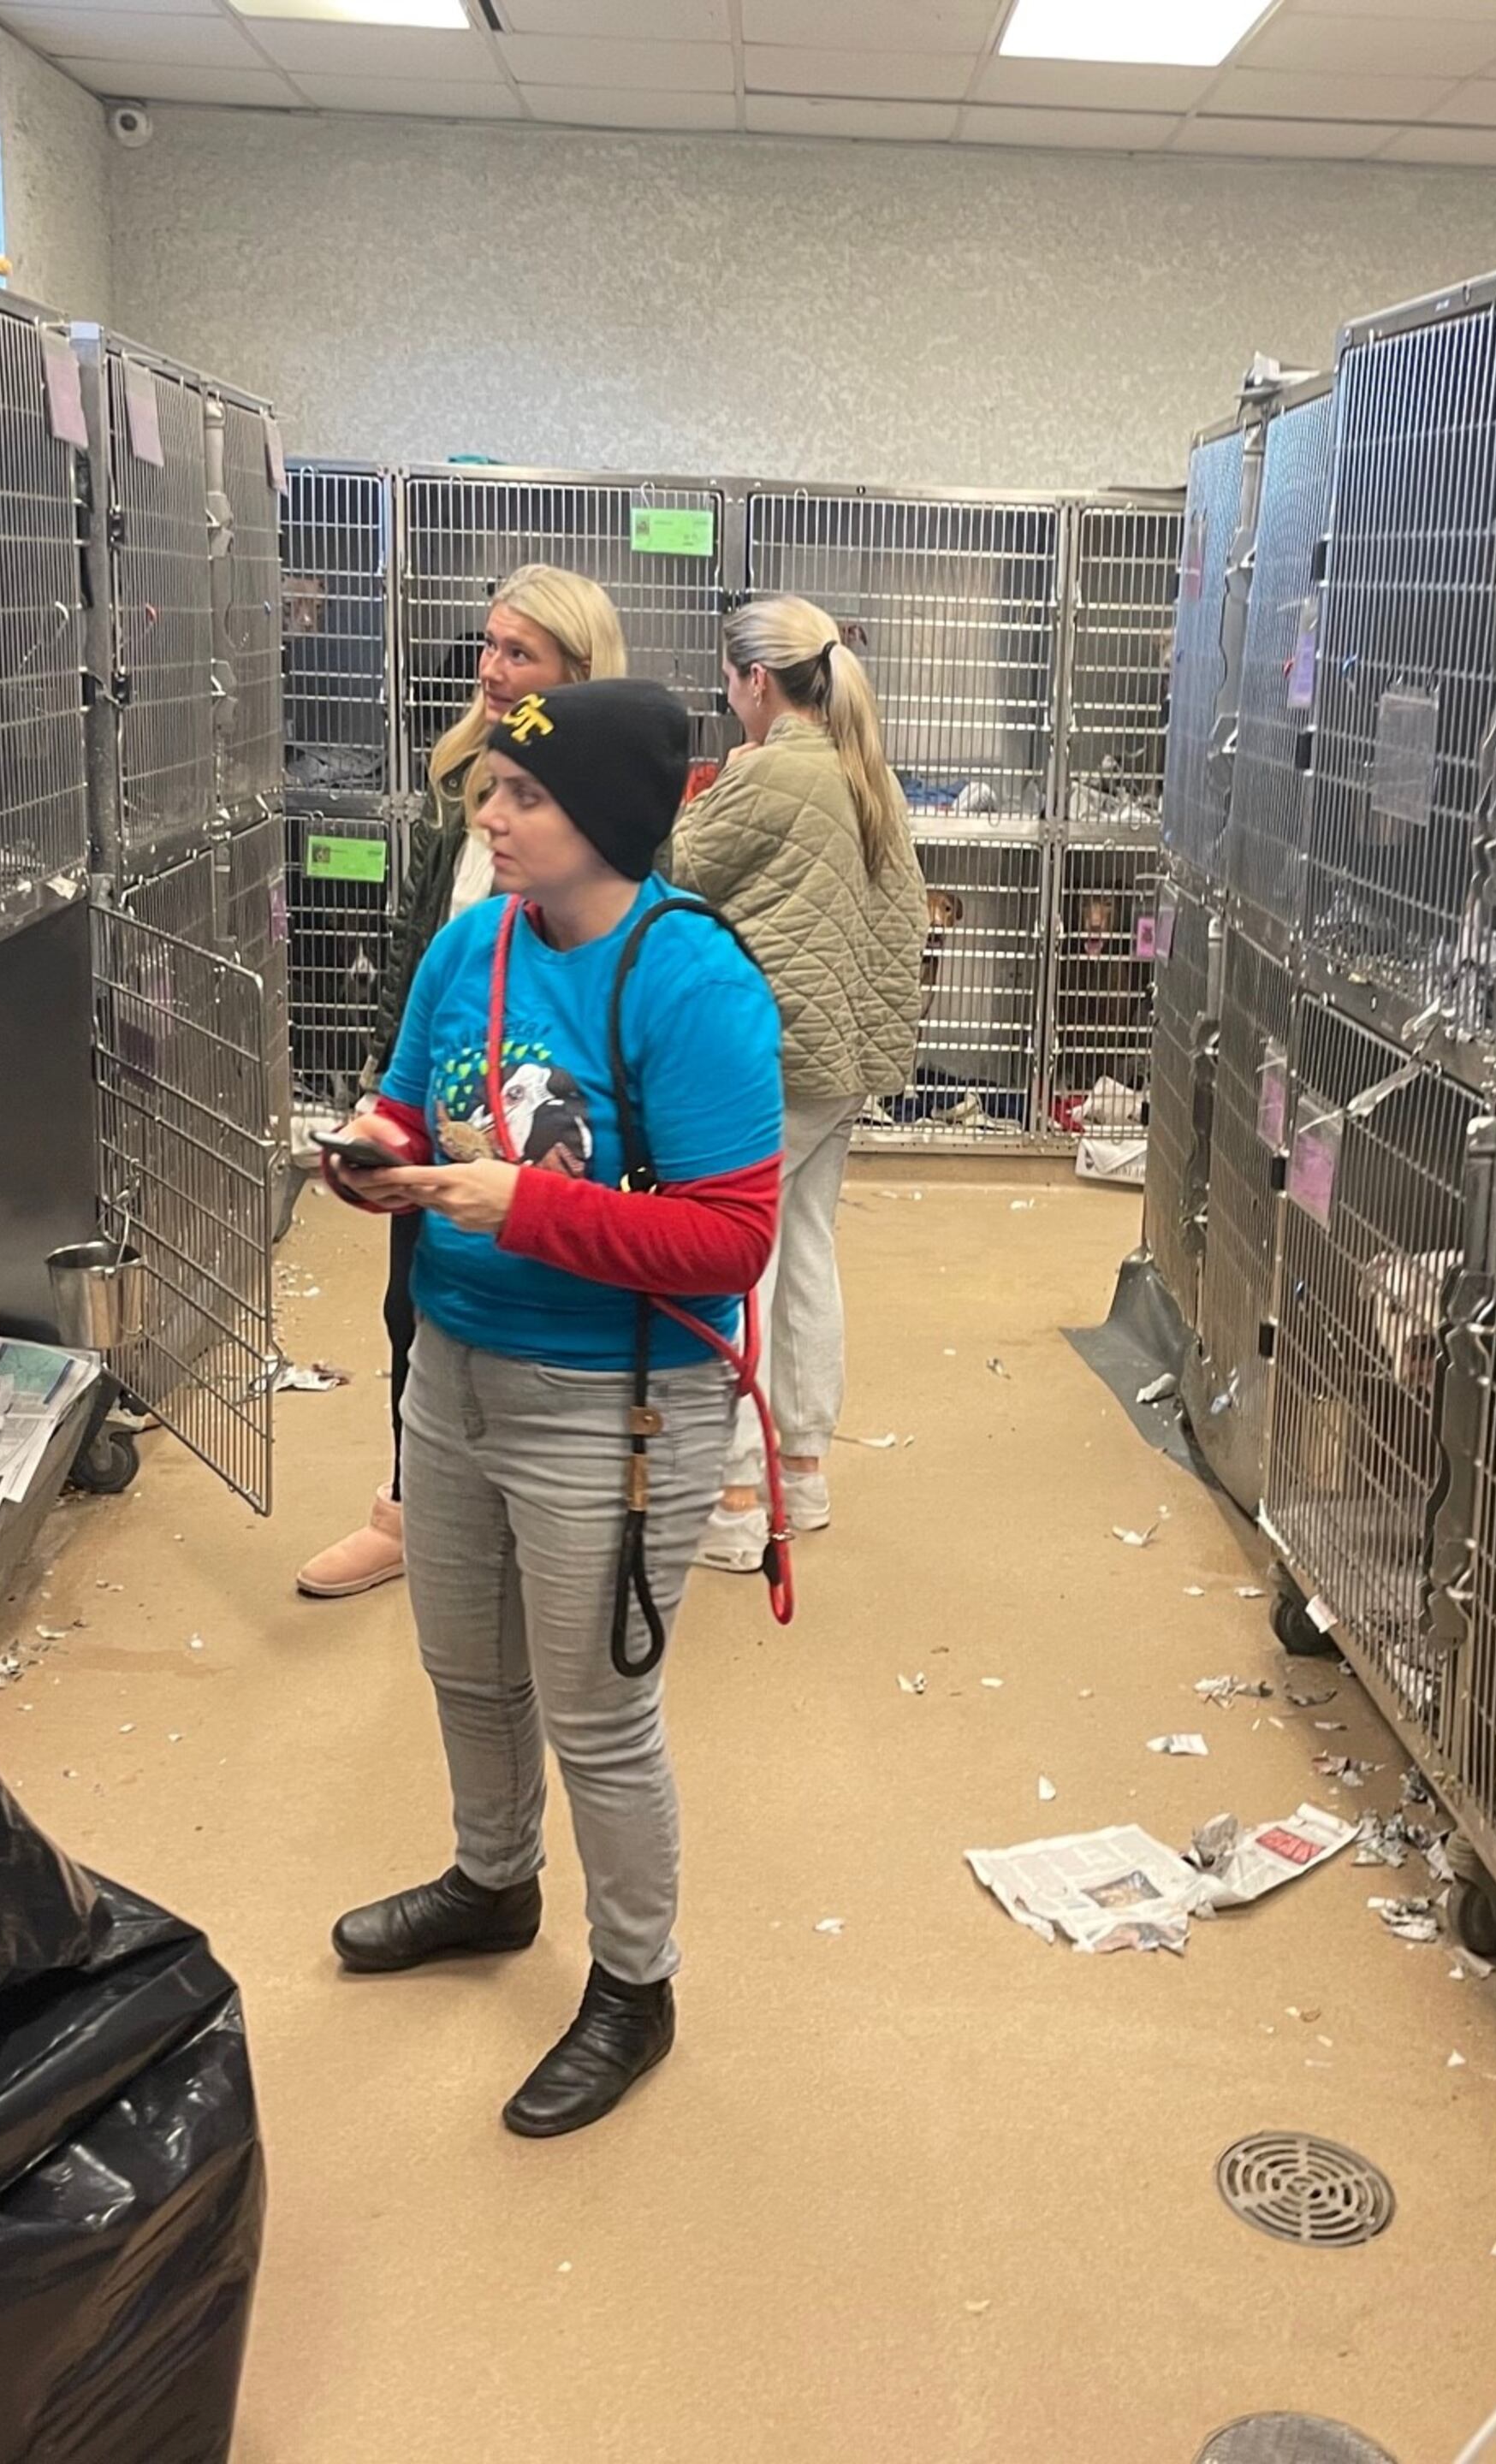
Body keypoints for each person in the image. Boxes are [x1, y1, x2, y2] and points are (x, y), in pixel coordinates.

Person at [319, 677, 785, 2138]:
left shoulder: (691, 979)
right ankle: (492, 1881)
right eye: (493, 795)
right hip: (451, 1369)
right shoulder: (475, 946)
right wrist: (369, 1150)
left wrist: (525, 1205)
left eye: (525, 797)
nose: (493, 817)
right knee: (467, 1668)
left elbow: (730, 1241)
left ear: (608, 822)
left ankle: (635, 1985)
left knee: (599, 1715)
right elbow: (408, 1100)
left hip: (616, 1401)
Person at [294, 566, 631, 1600]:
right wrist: (381, 1096)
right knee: (414, 1305)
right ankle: (410, 1510)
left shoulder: (610, 812)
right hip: (440, 1092)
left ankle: (572, 1514)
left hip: (544, 1108)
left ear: (576, 672)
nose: (489, 670)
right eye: (488, 646)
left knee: (546, 1307)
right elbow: (419, 941)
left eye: (517, 654)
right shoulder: (462, 780)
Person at [668, 595, 927, 1573]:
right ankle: (804, 1471)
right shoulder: (869, 771)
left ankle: (736, 1501)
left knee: (733, 1261)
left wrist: (710, 790)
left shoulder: (771, 772)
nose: (727, 698)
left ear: (756, 682)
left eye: (728, 682)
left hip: (773, 1058)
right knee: (805, 1249)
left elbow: (676, 870)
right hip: (848, 1057)